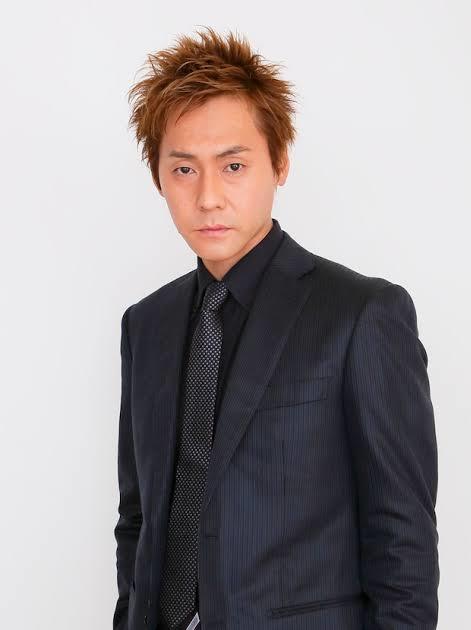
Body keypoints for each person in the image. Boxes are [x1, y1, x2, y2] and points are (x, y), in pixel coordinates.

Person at [113, 26, 439, 630]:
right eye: (183, 169)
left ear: (280, 162)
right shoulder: (146, 325)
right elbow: (138, 520)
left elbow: (404, 544)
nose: (208, 197)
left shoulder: (362, 315)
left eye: (233, 165)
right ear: (158, 176)